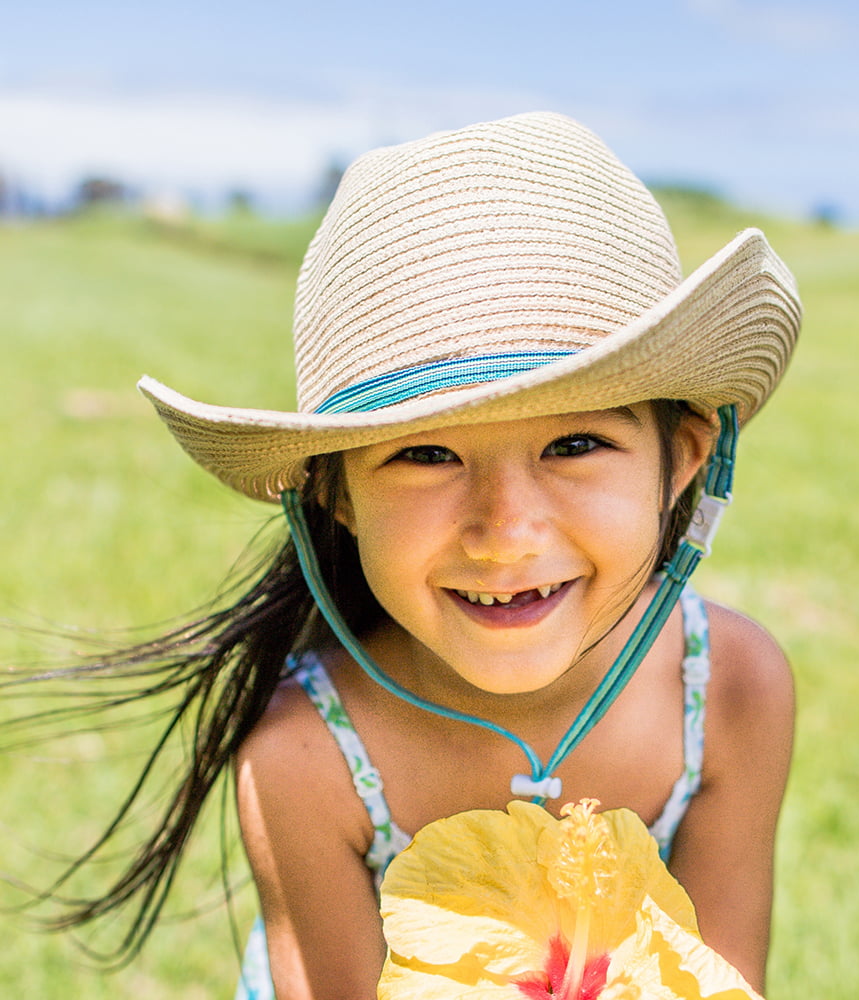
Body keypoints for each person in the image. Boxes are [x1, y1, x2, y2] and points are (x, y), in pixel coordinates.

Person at [29, 112, 802, 999]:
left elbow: (727, 980)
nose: (506, 530)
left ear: (688, 458)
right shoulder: (307, 759)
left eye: (575, 444)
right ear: (335, 495)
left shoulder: (733, 688)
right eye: (427, 454)